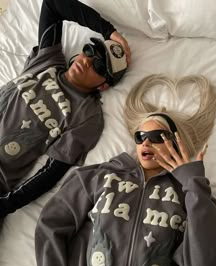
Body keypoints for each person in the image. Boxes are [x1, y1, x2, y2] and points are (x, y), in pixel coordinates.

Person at [35, 74, 216, 266]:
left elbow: (205, 265)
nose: (146, 143)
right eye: (141, 136)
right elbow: (51, 225)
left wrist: (194, 184)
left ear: (177, 143)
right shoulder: (98, 177)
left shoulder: (194, 196)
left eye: (158, 137)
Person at [0, 0, 130, 218]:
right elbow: (53, 5)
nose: (87, 60)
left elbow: (51, 172)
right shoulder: (48, 60)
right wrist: (110, 32)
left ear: (104, 84)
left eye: (99, 65)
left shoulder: (87, 116)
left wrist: (7, 205)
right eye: (89, 50)